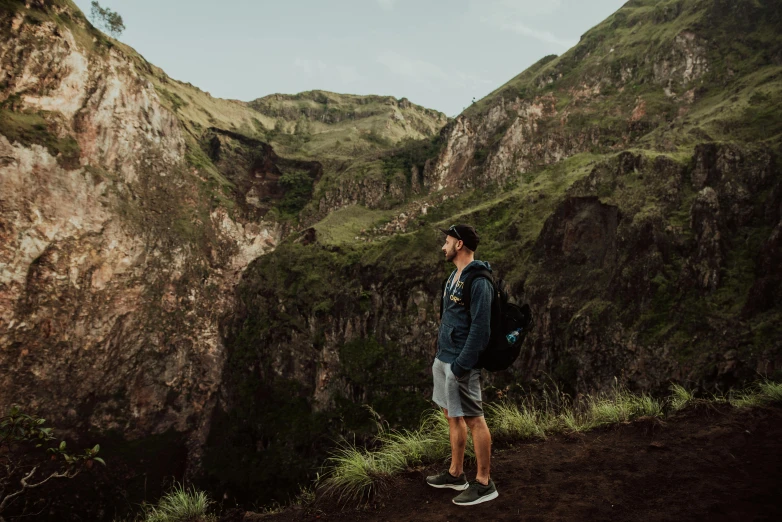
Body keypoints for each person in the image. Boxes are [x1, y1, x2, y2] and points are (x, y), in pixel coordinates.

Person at [426, 224, 498, 506]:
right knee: (451, 416)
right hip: (444, 358)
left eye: (446, 242)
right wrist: (441, 358)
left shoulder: (479, 282)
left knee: (474, 419)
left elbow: (481, 329)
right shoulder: (453, 277)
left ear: (459, 244)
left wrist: (460, 366)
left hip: (460, 363)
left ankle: (484, 482)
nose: (443, 247)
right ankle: (456, 474)